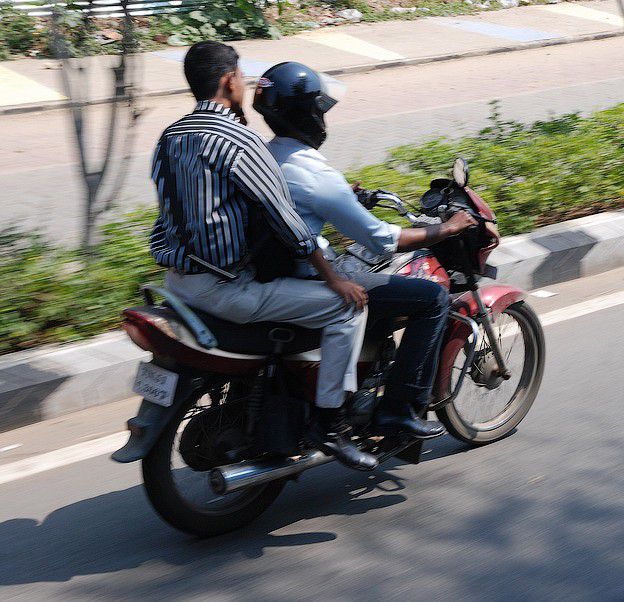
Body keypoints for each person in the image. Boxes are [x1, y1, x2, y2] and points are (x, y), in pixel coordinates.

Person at [150, 42, 378, 471]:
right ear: (228, 81)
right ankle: (330, 423)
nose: (245, 86)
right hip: (227, 288)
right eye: (241, 77)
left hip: (179, 285)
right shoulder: (238, 139)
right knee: (348, 308)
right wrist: (335, 279)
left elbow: (168, 213)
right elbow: (286, 219)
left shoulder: (170, 137)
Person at [253, 61, 478, 439]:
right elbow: (382, 239)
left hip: (278, 270)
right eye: (320, 111)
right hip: (309, 277)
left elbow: (309, 208)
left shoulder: (265, 155)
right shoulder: (315, 173)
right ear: (309, 115)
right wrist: (445, 228)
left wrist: (350, 201)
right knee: (430, 300)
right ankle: (399, 411)